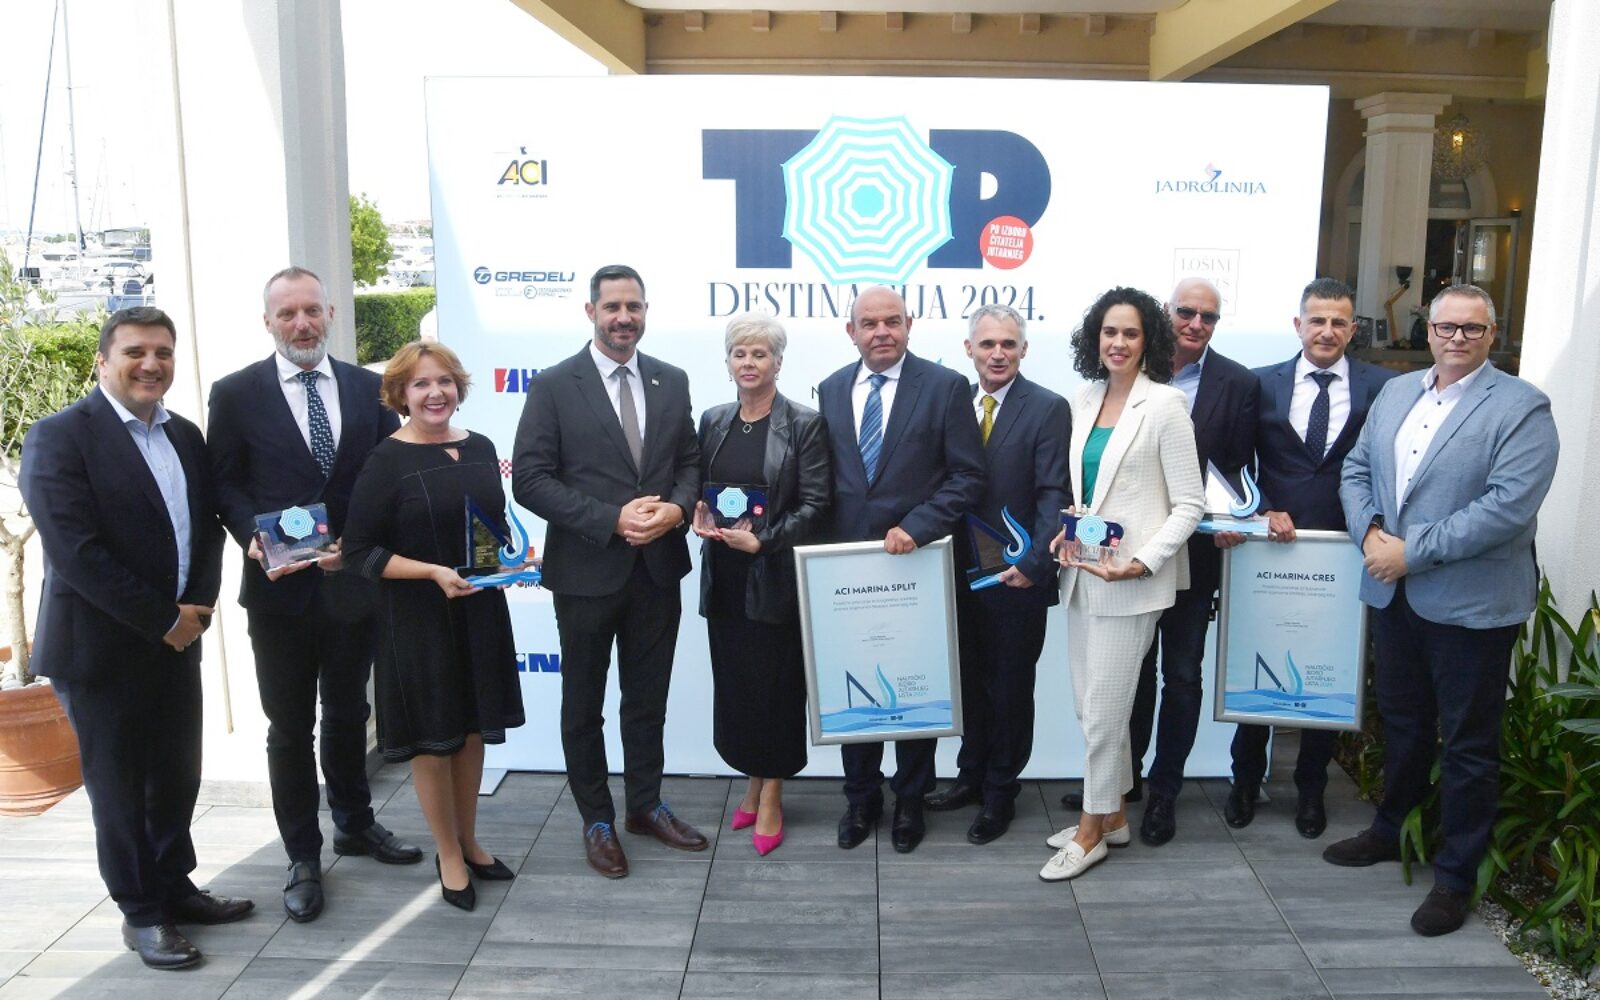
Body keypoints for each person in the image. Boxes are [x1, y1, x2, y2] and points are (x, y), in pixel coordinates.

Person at [21, 307, 252, 970]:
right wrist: (163, 619)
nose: (151, 364)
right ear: (103, 361)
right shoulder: (59, 437)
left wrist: (197, 609)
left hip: (178, 638)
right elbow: (76, 552)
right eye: (135, 352)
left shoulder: (184, 435)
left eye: (163, 352)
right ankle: (142, 913)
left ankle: (174, 886)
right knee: (120, 788)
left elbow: (206, 527)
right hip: (99, 649)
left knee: (176, 775)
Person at [1327, 283, 1558, 937]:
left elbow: (1507, 508)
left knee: (1467, 745)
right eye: (1446, 327)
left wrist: (1411, 553)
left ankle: (1455, 877)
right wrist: (1371, 534)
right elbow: (1356, 470)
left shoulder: (1522, 407)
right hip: (1395, 595)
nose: (1457, 338)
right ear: (1428, 330)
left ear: (1492, 335)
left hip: (1471, 606)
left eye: (1472, 329)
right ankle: (1390, 829)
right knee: (1401, 723)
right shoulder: (1398, 392)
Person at [209, 266, 422, 924]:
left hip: (351, 586)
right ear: (268, 322)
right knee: (289, 728)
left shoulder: (368, 389)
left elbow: (387, 477)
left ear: (329, 314)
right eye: (287, 314)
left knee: (350, 712)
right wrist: (251, 535)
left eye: (311, 311)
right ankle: (302, 855)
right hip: (279, 594)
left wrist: (361, 542)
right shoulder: (235, 394)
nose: (301, 324)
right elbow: (223, 484)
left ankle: (354, 824)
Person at [512, 264, 705, 879]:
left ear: (645, 312)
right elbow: (530, 479)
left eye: (634, 306)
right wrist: (610, 519)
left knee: (647, 702)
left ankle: (645, 805)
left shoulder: (671, 379)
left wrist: (677, 509)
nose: (625, 317)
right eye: (613, 306)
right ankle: (596, 819)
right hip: (585, 573)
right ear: (590, 311)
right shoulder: (554, 385)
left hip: (657, 570)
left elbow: (691, 462)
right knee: (583, 706)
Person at [342, 342, 527, 911]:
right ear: (401, 394)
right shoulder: (385, 460)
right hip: (416, 618)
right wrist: (430, 572)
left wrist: (513, 559)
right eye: (421, 384)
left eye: (444, 381)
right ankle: (448, 853)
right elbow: (360, 552)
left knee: (471, 731)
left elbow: (490, 528)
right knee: (434, 738)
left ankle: (470, 840)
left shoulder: (481, 447)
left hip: (478, 609)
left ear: (458, 387)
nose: (435, 393)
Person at [1217, 278, 1396, 838]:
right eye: (1317, 320)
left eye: (1339, 322)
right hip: (1268, 551)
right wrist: (1259, 510)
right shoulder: (1260, 383)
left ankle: (1311, 787)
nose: (1327, 331)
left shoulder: (1383, 387)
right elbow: (1234, 462)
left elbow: (1385, 469)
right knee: (1257, 663)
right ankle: (1245, 780)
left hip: (1343, 555)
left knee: (1326, 668)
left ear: (1353, 329)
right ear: (1298, 325)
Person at [816, 285, 986, 854]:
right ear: (852, 331)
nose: (881, 332)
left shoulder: (945, 387)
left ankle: (911, 799)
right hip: (848, 571)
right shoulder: (832, 389)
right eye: (869, 323)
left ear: (910, 325)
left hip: (917, 563)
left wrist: (918, 525)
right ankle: (860, 798)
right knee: (854, 683)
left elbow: (968, 476)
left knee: (914, 682)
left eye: (892, 321)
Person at [1041, 286, 1203, 882]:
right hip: (1083, 575)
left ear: (1148, 340)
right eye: (1109, 332)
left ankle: (1090, 833)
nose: (1118, 342)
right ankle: (1111, 816)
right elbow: (1086, 492)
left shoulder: (1166, 405)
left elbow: (1189, 504)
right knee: (1089, 707)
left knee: (1107, 714)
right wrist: (1064, 532)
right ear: (1095, 338)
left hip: (1132, 584)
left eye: (1130, 333)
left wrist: (1143, 562)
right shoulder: (1082, 399)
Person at [1119, 277, 1258, 848]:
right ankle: (1121, 783)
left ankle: (1164, 792)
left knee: (1180, 677)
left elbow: (1240, 468)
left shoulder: (1239, 383)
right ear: (1166, 312)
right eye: (1186, 312)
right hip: (1129, 554)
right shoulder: (1129, 369)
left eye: (1209, 316)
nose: (1196, 323)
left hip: (1196, 559)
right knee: (1129, 673)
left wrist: (1236, 518)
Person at [924, 304, 1070, 845]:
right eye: (987, 344)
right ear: (969, 349)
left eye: (1008, 343)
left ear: (1024, 349)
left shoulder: (1048, 407)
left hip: (1017, 577)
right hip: (955, 575)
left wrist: (1035, 565)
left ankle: (1000, 792)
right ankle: (970, 777)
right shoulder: (951, 401)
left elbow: (1054, 492)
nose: (998, 353)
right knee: (968, 684)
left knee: (1009, 689)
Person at [691, 314, 831, 856]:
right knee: (740, 688)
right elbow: (702, 490)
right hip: (724, 577)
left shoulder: (804, 424)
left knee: (776, 689)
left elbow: (816, 506)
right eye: (740, 354)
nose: (749, 363)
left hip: (774, 576)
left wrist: (764, 541)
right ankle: (752, 783)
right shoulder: (714, 420)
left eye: (760, 354)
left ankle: (771, 795)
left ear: (778, 362)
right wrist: (699, 516)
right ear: (727, 362)